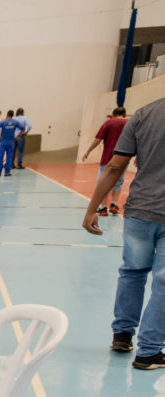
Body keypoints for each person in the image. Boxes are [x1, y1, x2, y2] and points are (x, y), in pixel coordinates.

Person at [82, 96, 165, 371]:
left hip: (139, 209)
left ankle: (122, 334)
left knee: (132, 271)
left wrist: (92, 208)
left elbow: (115, 167)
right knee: (163, 283)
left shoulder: (143, 114)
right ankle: (150, 351)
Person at [82, 107, 128, 216]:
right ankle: (114, 204)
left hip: (108, 158)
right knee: (119, 181)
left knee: (103, 182)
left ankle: (103, 208)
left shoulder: (109, 123)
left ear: (113, 114)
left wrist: (88, 151)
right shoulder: (129, 124)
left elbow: (98, 139)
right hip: (123, 158)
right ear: (124, 114)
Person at [0, 110, 24, 176]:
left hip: (3, 141)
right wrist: (17, 136)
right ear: (12, 115)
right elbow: (23, 129)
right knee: (9, 157)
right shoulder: (15, 122)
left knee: (0, 157)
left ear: (7, 114)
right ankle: (7, 172)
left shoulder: (3, 122)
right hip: (11, 142)